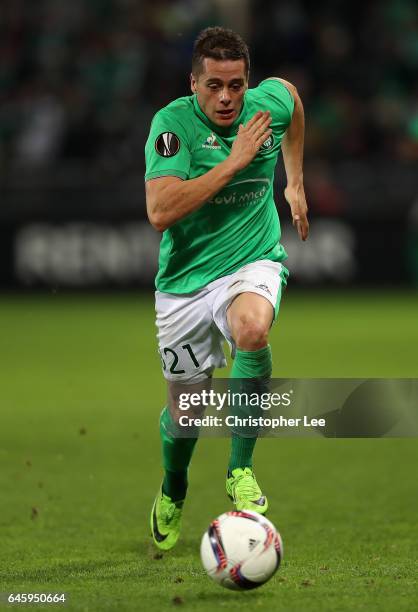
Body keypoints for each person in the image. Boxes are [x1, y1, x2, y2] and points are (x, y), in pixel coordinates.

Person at [145, 26, 308, 551]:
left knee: (252, 330)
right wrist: (237, 160)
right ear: (193, 82)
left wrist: (295, 180)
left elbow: (294, 100)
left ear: (247, 82)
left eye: (236, 85)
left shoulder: (266, 108)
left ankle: (241, 470)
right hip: (186, 284)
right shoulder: (172, 127)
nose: (226, 97)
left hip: (250, 261)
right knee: (186, 415)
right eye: (214, 85)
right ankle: (173, 488)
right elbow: (160, 211)